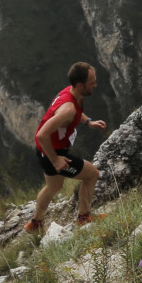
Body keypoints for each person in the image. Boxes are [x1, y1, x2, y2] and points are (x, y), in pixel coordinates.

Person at [24, 61, 108, 230]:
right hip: (53, 153)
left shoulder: (70, 93)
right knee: (92, 175)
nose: (95, 85)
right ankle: (84, 218)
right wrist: (55, 160)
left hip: (44, 152)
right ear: (79, 85)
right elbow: (42, 135)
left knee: (54, 186)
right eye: (92, 82)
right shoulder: (67, 109)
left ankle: (35, 223)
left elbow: (77, 111)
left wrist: (88, 122)